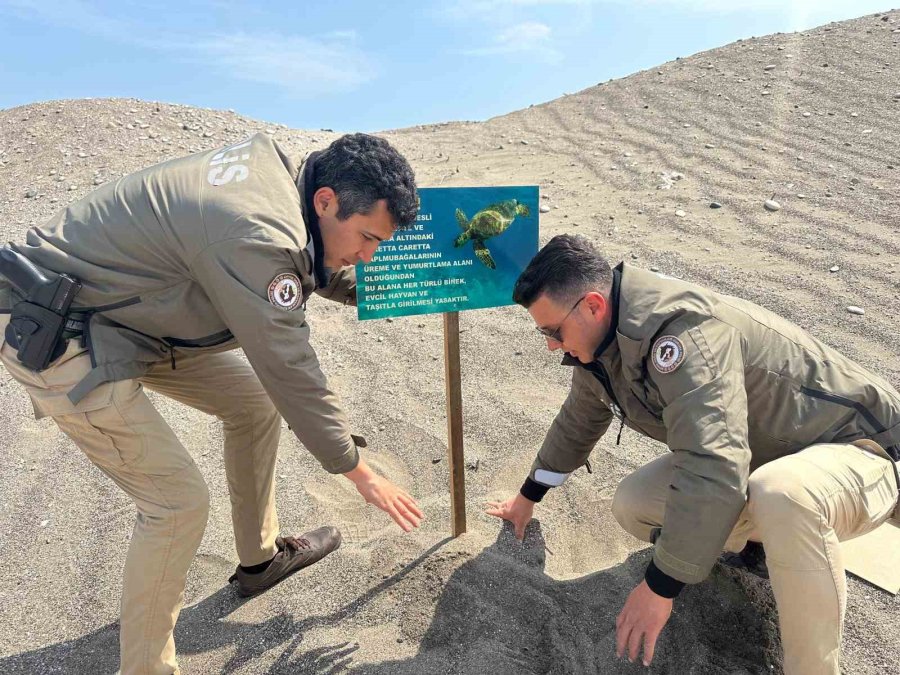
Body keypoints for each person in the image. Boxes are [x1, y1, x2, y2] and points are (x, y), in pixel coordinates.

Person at [0, 132, 424, 675]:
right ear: (326, 201)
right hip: (61, 333)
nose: (368, 255)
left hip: (131, 315)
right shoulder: (258, 232)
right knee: (175, 506)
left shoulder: (283, 186)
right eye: (367, 237)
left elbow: (302, 264)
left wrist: (397, 289)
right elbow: (290, 364)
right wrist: (357, 469)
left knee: (253, 404)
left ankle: (260, 559)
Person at [487, 234, 900, 674]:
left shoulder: (684, 334)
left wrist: (660, 587)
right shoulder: (602, 343)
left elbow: (713, 464)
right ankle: (767, 546)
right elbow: (578, 421)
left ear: (592, 305)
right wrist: (527, 498)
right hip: (768, 453)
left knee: (781, 494)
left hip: (863, 450)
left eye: (553, 332)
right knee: (635, 504)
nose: (551, 345)